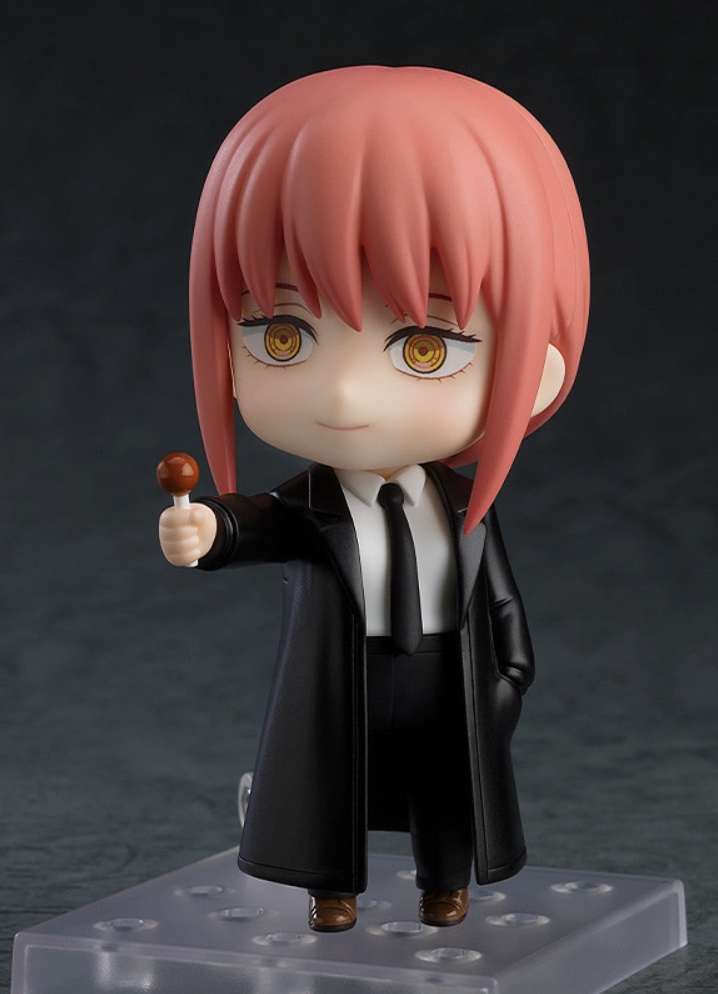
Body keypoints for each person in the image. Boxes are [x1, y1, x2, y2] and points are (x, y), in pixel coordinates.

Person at [159, 66, 589, 932]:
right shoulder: (312, 504)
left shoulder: (462, 504)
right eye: (285, 335)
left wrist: (507, 680)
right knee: (331, 794)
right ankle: (332, 891)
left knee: (445, 792)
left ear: (537, 368)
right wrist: (204, 528)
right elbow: (259, 523)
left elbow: (499, 599)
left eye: (425, 347)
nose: (346, 394)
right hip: (339, 683)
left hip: (446, 678)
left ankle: (444, 885)